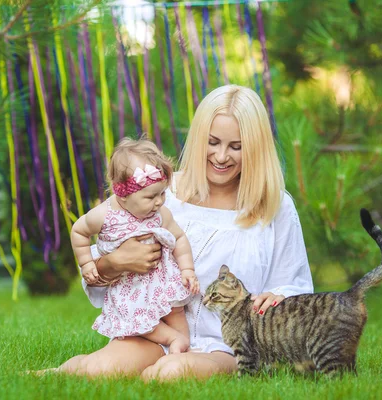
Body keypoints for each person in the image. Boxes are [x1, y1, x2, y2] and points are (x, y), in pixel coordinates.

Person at [45, 85, 313, 380]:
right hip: (155, 333)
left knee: (168, 375)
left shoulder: (273, 204)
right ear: (199, 139)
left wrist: (278, 296)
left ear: (255, 147)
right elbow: (96, 268)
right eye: (213, 142)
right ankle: (45, 374)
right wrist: (116, 261)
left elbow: (295, 284)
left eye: (236, 146)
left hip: (228, 346)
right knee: (99, 370)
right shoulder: (161, 193)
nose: (221, 156)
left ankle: (171, 366)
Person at [71, 138, 200, 354]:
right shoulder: (104, 215)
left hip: (162, 281)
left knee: (175, 310)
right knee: (135, 317)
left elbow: (179, 238)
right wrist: (86, 263)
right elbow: (78, 231)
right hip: (131, 288)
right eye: (150, 197)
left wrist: (187, 269)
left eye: (162, 194)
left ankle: (181, 348)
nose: (159, 202)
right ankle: (171, 338)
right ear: (122, 194)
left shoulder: (161, 213)